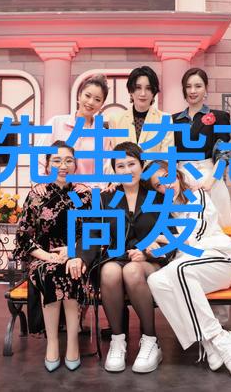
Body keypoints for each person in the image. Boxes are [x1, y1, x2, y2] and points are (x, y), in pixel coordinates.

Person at [145, 160, 231, 378]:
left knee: (180, 270)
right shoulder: (165, 212)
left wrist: (158, 238)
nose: (165, 186)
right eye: (158, 185)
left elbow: (192, 238)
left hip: (221, 259)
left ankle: (220, 338)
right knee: (156, 281)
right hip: (190, 270)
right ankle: (208, 344)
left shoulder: (197, 196)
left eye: (167, 178)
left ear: (176, 175)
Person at [78, 142, 168, 374]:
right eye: (120, 166)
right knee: (109, 271)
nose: (127, 170)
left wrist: (147, 252)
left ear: (141, 165)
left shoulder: (157, 197)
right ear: (114, 170)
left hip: (149, 262)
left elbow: (171, 236)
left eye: (132, 164)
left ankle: (150, 341)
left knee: (132, 270)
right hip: (116, 258)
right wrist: (80, 258)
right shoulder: (104, 198)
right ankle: (117, 341)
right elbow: (92, 234)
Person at [14, 141, 92, 372]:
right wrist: (47, 256)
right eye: (56, 160)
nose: (63, 166)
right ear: (48, 165)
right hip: (43, 257)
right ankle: (53, 343)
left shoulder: (82, 195)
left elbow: (93, 231)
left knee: (70, 270)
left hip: (76, 255)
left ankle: (73, 342)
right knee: (52, 271)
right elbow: (23, 236)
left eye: (68, 160)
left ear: (75, 165)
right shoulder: (37, 195)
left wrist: (73, 251)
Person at [172, 67, 231, 228]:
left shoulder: (219, 117)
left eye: (198, 86)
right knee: (185, 228)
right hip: (182, 179)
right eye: (188, 86)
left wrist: (210, 182)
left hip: (211, 177)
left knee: (217, 227)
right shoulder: (173, 120)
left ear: (206, 88)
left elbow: (224, 154)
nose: (193, 91)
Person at [35, 73, 109, 184]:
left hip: (86, 193)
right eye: (87, 96)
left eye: (97, 99)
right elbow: (39, 158)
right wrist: (40, 184)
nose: (90, 102)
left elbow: (104, 171)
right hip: (53, 190)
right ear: (79, 96)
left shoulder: (103, 136)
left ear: (102, 105)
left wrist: (89, 188)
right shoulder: (56, 123)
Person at [107, 65, 173, 156]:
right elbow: (113, 157)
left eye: (148, 88)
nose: (143, 93)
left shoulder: (165, 119)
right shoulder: (115, 119)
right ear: (131, 91)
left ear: (153, 92)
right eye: (138, 88)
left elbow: (167, 159)